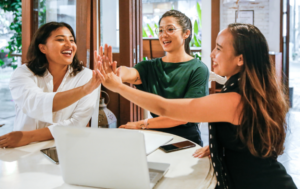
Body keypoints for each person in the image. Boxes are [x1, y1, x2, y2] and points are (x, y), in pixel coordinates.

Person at [96, 23, 297, 189]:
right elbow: (249, 135)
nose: (211, 54)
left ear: (240, 59)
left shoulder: (234, 99)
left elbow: (166, 107)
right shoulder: (251, 90)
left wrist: (118, 88)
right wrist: (224, 145)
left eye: (219, 48)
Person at [100, 10, 209, 145]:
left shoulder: (198, 69)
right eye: (161, 30)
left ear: (186, 33)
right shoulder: (149, 66)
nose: (164, 35)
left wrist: (141, 124)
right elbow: (129, 72)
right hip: (156, 136)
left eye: (170, 29)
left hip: (186, 141)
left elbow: (183, 116)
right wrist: (116, 73)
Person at [0, 22, 103, 148]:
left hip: (64, 148)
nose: (69, 45)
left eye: (72, 40)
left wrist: (29, 136)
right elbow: (35, 104)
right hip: (23, 149)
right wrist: (84, 90)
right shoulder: (23, 73)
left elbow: (77, 123)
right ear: (43, 48)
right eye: (60, 39)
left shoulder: (87, 76)